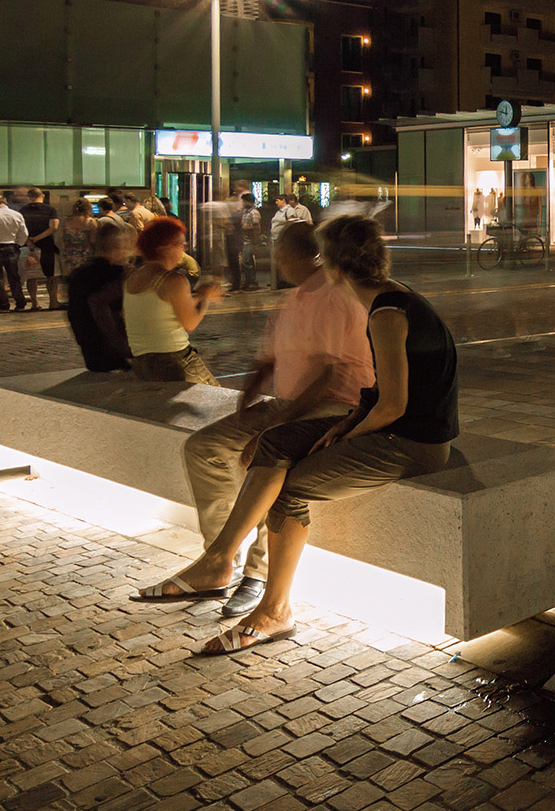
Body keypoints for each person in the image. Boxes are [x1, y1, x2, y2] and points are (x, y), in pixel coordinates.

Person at [132, 216, 459, 657]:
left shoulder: (385, 313)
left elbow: (394, 406)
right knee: (274, 444)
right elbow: (382, 395)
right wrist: (346, 426)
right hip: (389, 427)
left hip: (409, 442)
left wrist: (345, 433)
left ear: (335, 267)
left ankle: (273, 609)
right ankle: (219, 560)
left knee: (288, 488)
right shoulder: (389, 297)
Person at [177, 222, 375, 619]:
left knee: (271, 462)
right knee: (203, 448)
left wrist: (271, 427)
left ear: (305, 255)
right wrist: (245, 401)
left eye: (280, 252)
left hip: (332, 407)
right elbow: (267, 358)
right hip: (285, 401)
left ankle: (257, 572)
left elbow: (329, 378)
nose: (275, 259)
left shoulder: (336, 297)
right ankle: (219, 557)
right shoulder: (294, 299)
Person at [123, 216, 224, 384]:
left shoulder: (131, 278)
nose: (183, 251)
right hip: (175, 361)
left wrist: (198, 297)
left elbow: (162, 314)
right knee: (223, 402)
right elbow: (190, 323)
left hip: (141, 363)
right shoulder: (173, 280)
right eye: (180, 245)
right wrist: (205, 297)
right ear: (164, 248)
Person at [66, 221, 133, 372]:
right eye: (125, 247)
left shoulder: (80, 272)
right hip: (113, 353)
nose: (128, 252)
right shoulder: (115, 273)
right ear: (116, 247)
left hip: (92, 355)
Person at [236, 194, 263, 290]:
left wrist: (246, 229)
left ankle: (252, 282)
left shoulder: (254, 213)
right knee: (248, 261)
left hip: (251, 241)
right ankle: (249, 282)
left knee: (244, 262)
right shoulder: (245, 212)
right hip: (244, 241)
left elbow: (256, 227)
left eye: (244, 201)